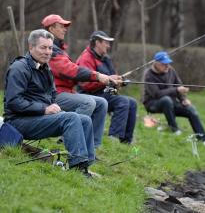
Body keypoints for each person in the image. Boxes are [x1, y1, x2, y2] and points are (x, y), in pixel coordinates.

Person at [3, 29, 96, 177]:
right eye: (43, 47)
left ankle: (85, 166)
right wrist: (44, 109)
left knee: (84, 119)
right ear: (31, 47)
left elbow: (52, 94)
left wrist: (55, 107)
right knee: (71, 118)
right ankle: (77, 168)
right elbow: (14, 102)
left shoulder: (46, 68)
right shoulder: (19, 68)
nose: (48, 52)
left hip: (37, 118)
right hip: (18, 122)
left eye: (50, 48)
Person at [41, 14, 116, 148]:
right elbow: (70, 70)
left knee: (102, 103)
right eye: (61, 26)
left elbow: (71, 72)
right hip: (52, 94)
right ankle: (66, 138)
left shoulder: (59, 49)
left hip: (66, 91)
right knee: (88, 102)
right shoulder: (49, 50)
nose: (65, 29)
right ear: (51, 29)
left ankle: (92, 146)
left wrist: (105, 78)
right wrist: (97, 76)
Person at [142, 51, 205, 149]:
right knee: (166, 100)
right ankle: (174, 129)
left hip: (170, 103)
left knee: (191, 109)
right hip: (152, 104)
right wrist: (175, 90)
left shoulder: (171, 70)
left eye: (168, 63)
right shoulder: (148, 74)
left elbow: (178, 85)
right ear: (156, 63)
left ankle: (204, 139)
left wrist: (183, 99)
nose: (167, 66)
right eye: (164, 64)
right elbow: (156, 94)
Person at [76, 31, 136, 144]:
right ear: (97, 42)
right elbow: (85, 84)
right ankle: (114, 137)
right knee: (122, 101)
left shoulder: (105, 58)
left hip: (104, 93)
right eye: (106, 43)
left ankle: (126, 141)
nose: (108, 46)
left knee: (132, 102)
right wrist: (107, 81)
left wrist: (119, 81)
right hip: (89, 95)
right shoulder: (86, 58)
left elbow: (112, 76)